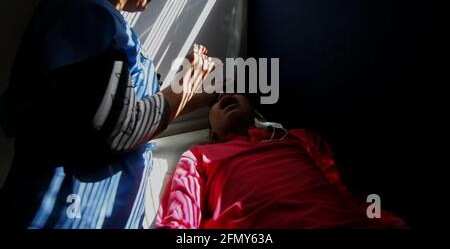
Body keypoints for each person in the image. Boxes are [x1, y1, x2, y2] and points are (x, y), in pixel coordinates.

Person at [0, 0, 215, 229]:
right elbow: (120, 128)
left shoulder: (104, 24)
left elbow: (129, 110)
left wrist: (191, 92)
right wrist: (185, 88)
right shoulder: (81, 11)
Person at [156, 94, 407, 229]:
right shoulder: (199, 156)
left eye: (233, 93)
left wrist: (386, 221)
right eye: (215, 102)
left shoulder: (299, 138)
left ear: (255, 112)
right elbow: (181, 218)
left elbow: (347, 194)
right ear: (212, 133)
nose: (225, 97)